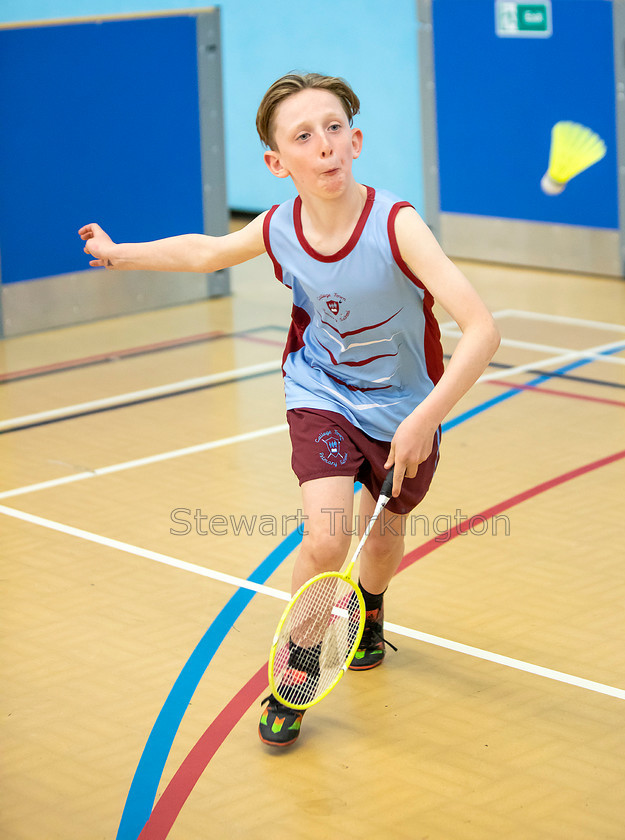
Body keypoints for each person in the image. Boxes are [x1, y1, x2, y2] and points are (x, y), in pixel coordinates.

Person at [79, 72, 500, 748]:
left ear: (355, 141)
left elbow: (481, 329)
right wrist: (119, 253)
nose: (325, 146)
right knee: (327, 536)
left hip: (405, 408)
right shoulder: (279, 228)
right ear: (278, 163)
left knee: (381, 534)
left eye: (334, 129)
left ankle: (368, 608)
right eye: (303, 136)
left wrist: (425, 416)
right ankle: (298, 667)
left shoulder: (396, 226)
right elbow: (207, 251)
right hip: (321, 395)